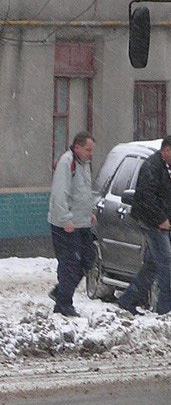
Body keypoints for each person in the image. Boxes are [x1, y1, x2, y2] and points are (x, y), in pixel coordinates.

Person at [118, 135, 171, 315]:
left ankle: (128, 299)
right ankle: (167, 307)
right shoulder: (152, 167)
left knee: (152, 264)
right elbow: (147, 197)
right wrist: (161, 219)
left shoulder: (167, 168)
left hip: (158, 222)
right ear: (166, 150)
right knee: (166, 263)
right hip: (152, 223)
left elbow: (170, 198)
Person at [47, 131, 98, 317]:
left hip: (81, 222)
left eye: (92, 150)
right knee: (70, 263)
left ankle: (61, 292)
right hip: (66, 224)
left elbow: (84, 190)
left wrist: (90, 211)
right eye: (88, 149)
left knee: (88, 257)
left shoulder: (84, 164)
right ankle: (64, 304)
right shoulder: (67, 163)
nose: (90, 154)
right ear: (77, 147)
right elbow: (60, 193)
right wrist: (65, 219)